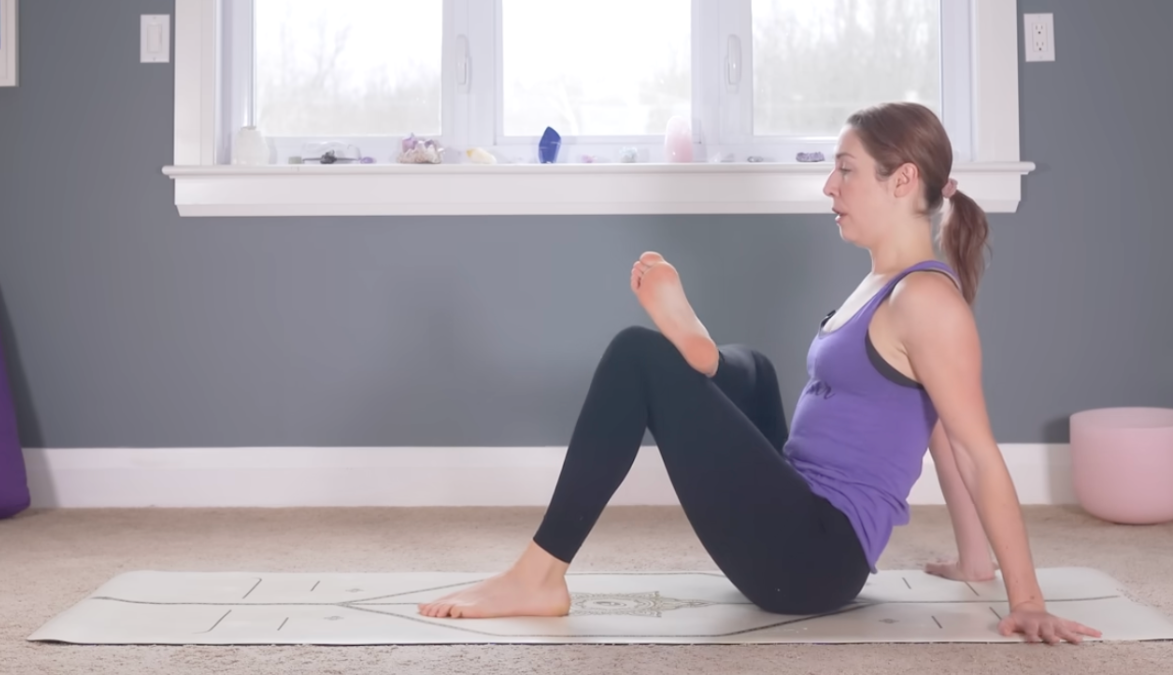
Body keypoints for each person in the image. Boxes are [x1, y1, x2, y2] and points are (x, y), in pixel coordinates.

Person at [418, 102, 1099, 645]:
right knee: (763, 371)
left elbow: (975, 450)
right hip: (798, 513)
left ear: (902, 181)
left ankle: (539, 575)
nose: (828, 186)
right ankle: (708, 356)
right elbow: (939, 432)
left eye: (845, 170)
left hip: (811, 561)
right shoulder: (885, 283)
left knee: (636, 354)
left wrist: (1027, 599)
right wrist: (973, 563)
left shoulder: (927, 302)